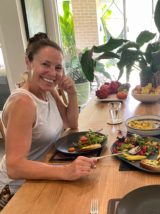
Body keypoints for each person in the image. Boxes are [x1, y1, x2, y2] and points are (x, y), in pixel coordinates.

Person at [0, 33, 97, 209]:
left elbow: (71, 123)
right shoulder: (23, 103)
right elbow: (14, 167)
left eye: (58, 67)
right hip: (18, 191)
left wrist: (72, 93)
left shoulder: (48, 90)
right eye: (45, 64)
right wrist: (66, 171)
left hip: (44, 172)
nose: (53, 73)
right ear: (28, 62)